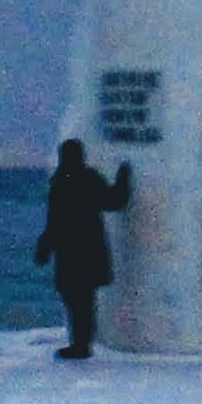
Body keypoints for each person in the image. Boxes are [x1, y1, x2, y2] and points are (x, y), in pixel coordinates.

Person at [32, 138, 132, 359]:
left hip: (70, 250)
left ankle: (81, 344)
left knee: (77, 298)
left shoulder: (62, 180)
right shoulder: (85, 178)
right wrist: (123, 178)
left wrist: (45, 246)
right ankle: (81, 343)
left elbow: (55, 220)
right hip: (86, 249)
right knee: (82, 298)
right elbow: (114, 200)